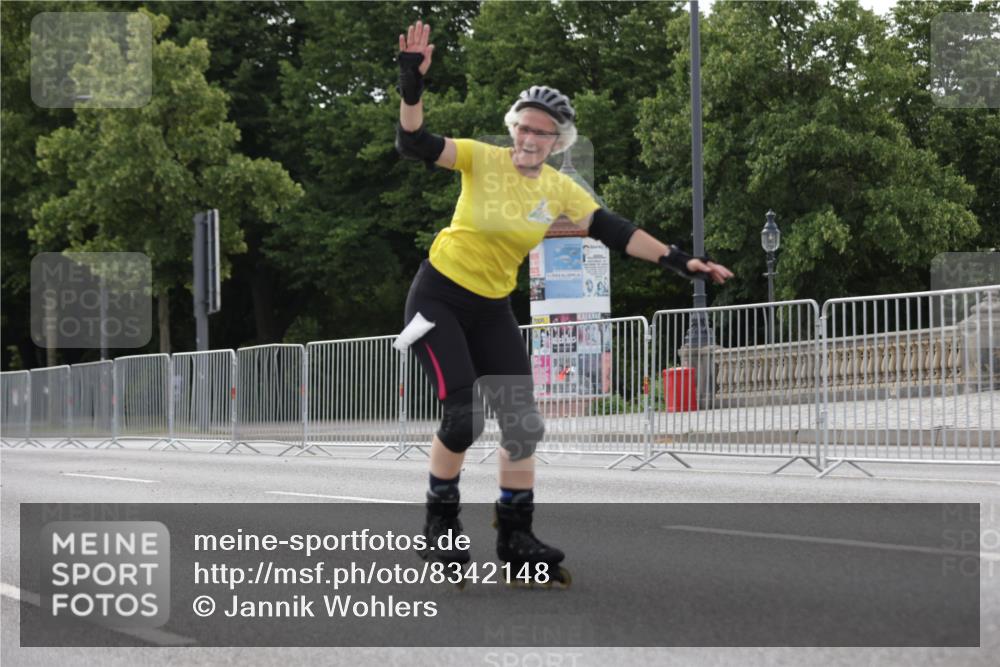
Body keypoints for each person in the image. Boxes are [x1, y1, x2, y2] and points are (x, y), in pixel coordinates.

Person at [395, 21, 734, 587]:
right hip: (439, 298)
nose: (531, 139)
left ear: (558, 142)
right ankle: (440, 525)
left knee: (523, 425)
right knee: (463, 416)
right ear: (513, 129)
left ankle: (515, 535)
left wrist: (681, 261)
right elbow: (414, 143)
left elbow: (615, 229)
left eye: (544, 133)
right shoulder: (482, 159)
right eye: (524, 128)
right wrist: (411, 86)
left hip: (491, 306)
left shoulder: (559, 189)